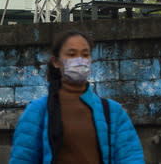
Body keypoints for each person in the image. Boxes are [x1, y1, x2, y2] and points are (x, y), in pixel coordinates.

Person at [10, 29, 145, 164]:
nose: (80, 60)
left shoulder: (113, 112)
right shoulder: (38, 111)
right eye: (72, 54)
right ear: (56, 62)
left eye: (85, 54)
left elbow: (131, 157)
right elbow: (22, 158)